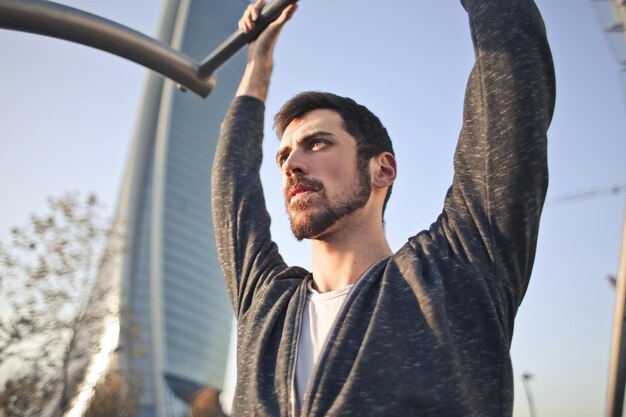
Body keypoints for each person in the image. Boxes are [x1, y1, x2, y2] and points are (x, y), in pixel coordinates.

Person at [211, 0, 556, 415]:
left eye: (317, 143)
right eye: (283, 156)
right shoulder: (266, 306)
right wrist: (258, 61)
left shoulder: (454, 271)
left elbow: (512, 82)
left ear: (383, 169)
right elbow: (233, 187)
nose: (292, 165)